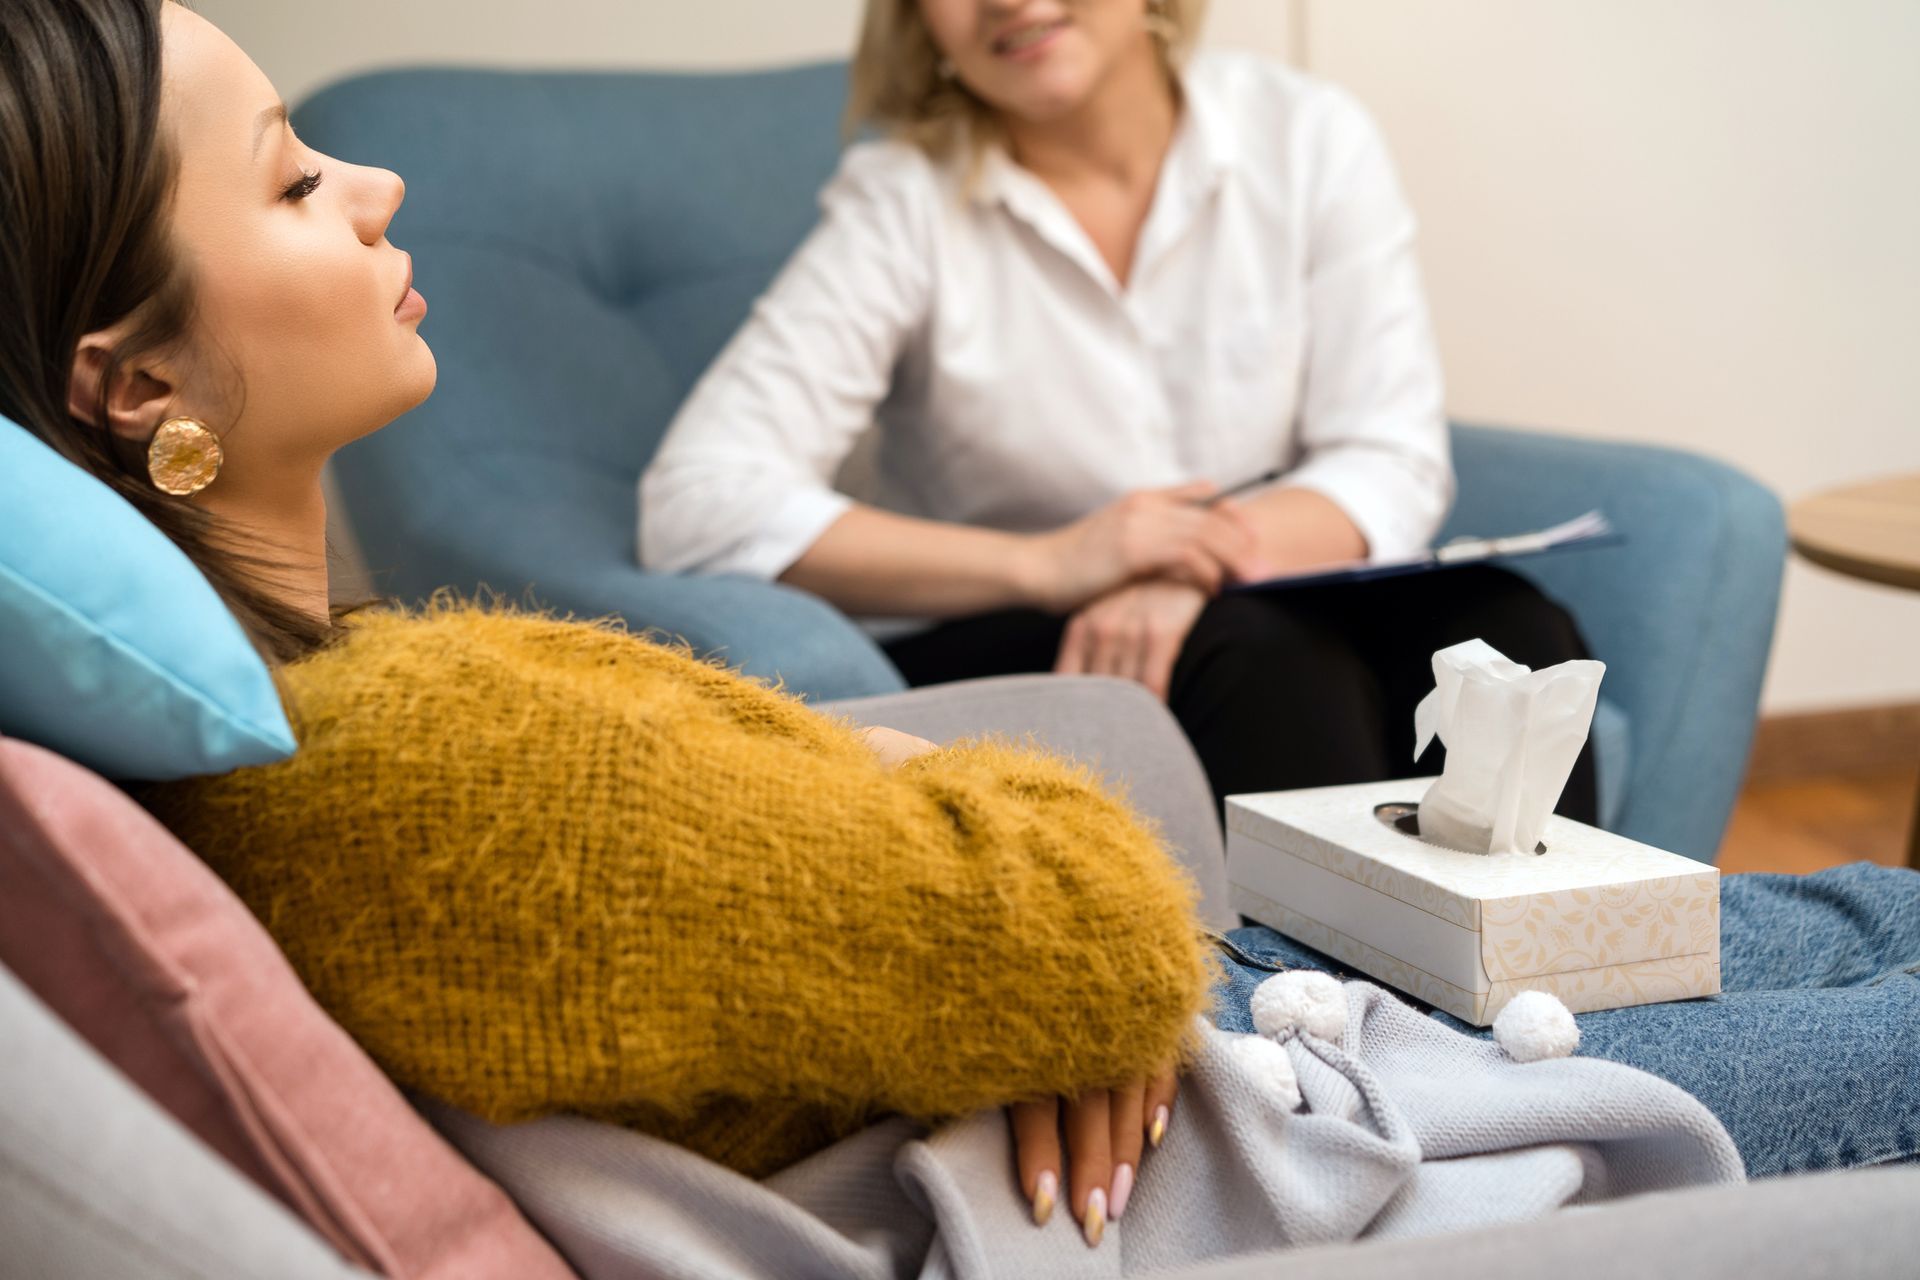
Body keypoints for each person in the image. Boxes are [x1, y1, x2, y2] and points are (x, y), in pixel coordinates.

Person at [2, 0, 1911, 1263]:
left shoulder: (369, 720)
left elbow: (1382, 455)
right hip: (1298, 1093)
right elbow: (1084, 937)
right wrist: (992, 694)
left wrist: (924, 808)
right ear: (136, 373)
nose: (377, 185)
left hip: (1252, 1006)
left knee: (1539, 689)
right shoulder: (434, 763)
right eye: (291, 177)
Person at [638, 0, 1599, 819]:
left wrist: (1185, 566)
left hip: (1260, 583)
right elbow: (698, 500)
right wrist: (1056, 562)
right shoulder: (903, 203)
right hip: (1024, 628)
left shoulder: (1306, 136)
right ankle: (1307, 1031)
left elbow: (1388, 453)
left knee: (1507, 635)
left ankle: (1569, 1013)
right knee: (1263, 657)